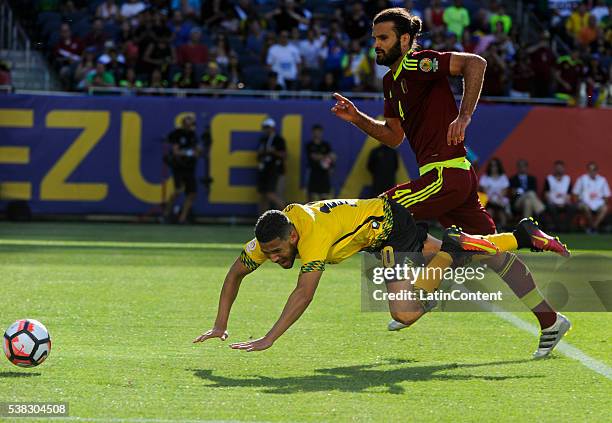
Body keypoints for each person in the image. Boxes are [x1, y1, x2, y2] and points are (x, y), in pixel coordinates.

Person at [330, 8, 569, 340]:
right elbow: (394, 136)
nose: (376, 45)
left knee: (380, 213)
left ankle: (415, 298)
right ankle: (550, 321)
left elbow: (476, 63)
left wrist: (464, 116)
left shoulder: (417, 63)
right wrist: (357, 118)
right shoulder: (391, 81)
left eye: (382, 38)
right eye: (374, 39)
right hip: (450, 179)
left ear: (404, 39)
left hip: (445, 176)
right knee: (494, 254)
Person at [193, 196, 570, 358]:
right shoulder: (271, 236)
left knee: (403, 313)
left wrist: (268, 339)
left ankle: (448, 257)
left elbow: (303, 294)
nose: (274, 259)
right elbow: (234, 273)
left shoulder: (312, 238)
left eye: (277, 252)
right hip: (377, 226)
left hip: (387, 229)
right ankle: (521, 236)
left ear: (292, 237)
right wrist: (219, 324)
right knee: (477, 257)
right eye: (269, 253)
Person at [163, 115, 201, 224]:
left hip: (190, 167)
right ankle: (166, 213)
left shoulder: (193, 135)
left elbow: (197, 151)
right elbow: (176, 152)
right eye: (189, 122)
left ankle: (182, 218)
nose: (191, 125)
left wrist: (196, 152)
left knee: (192, 193)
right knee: (178, 190)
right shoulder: (177, 134)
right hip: (179, 167)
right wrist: (189, 153)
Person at [257, 118, 286, 214]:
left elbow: (284, 155)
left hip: (275, 170)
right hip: (264, 170)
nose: (266, 129)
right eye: (265, 127)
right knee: (263, 195)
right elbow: (259, 154)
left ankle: (288, 214)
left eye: (268, 127)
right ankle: (262, 219)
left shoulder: (278, 140)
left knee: (271, 194)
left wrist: (272, 151)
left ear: (273, 128)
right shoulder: (263, 140)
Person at [573, 162, 610, 233]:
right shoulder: (582, 179)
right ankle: (593, 227)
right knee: (585, 207)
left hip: (598, 203)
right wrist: (578, 202)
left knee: (605, 208)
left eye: (594, 170)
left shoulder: (602, 180)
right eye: (591, 170)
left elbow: (606, 195)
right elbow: (576, 193)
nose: (592, 172)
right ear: (588, 170)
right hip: (584, 202)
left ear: (597, 171)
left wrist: (604, 203)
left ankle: (593, 227)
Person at [479, 158, 511, 230]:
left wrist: (498, 198)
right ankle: (489, 230)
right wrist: (494, 198)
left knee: (500, 212)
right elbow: (485, 192)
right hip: (489, 201)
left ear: (498, 167)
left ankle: (503, 230)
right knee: (491, 211)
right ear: (489, 167)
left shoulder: (503, 177)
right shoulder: (485, 177)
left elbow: (504, 191)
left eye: (495, 166)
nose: (494, 168)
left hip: (500, 200)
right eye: (492, 166)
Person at [305, 124, 335, 201]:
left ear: (321, 133)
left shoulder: (326, 145)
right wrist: (326, 156)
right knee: (311, 197)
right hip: (313, 172)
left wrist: (331, 166)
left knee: (323, 197)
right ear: (313, 133)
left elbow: (332, 158)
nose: (317, 133)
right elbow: (313, 156)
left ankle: (322, 212)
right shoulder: (309, 145)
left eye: (319, 132)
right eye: (315, 132)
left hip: (324, 173)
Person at [544, 160, 575, 232]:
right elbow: (546, 194)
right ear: (554, 169)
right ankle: (559, 228)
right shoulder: (549, 179)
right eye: (557, 168)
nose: (559, 169)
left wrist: (564, 202)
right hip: (552, 202)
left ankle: (565, 227)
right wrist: (552, 202)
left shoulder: (567, 179)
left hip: (564, 202)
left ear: (564, 169)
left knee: (572, 207)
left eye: (561, 168)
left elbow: (569, 194)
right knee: (550, 207)